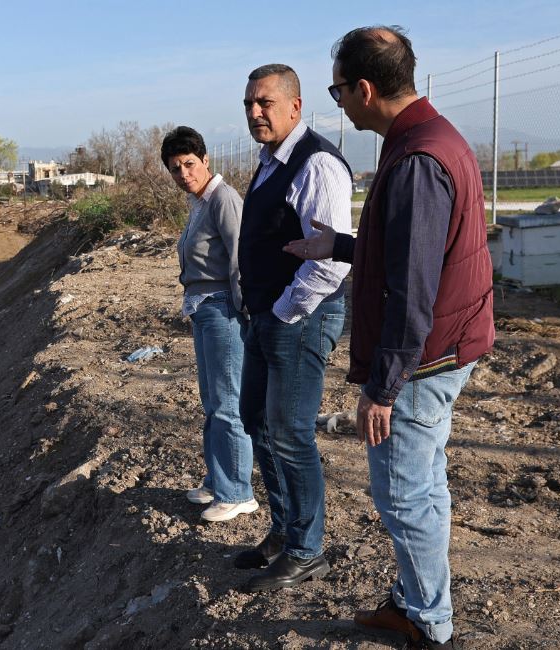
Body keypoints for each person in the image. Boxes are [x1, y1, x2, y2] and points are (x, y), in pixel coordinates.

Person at [284, 26, 495, 650]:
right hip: (446, 343)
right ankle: (417, 600)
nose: (340, 104)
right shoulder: (431, 138)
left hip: (423, 360)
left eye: (338, 92)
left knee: (403, 495)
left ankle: (429, 623)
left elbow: (412, 290)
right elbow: (413, 252)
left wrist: (383, 387)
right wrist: (342, 245)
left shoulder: (416, 161)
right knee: (424, 486)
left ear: (365, 89)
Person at [231, 64, 352, 591]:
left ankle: (306, 550)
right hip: (266, 315)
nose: (255, 112)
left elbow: (330, 261)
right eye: (249, 104)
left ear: (295, 106)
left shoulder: (316, 163)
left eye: (265, 103)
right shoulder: (269, 162)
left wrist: (282, 311)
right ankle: (284, 533)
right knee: (256, 418)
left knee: (290, 432)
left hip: (300, 316)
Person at [161, 126, 257, 523]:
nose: (184, 174)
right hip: (202, 308)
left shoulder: (223, 198)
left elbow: (241, 259)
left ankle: (238, 493)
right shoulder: (198, 202)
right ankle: (218, 481)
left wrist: (244, 311)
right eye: (175, 168)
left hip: (223, 309)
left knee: (227, 403)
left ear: (205, 160)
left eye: (189, 164)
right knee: (212, 402)